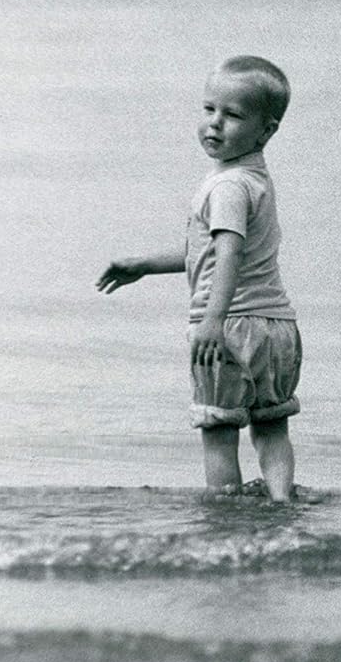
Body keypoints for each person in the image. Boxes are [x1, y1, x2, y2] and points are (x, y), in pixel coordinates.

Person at [97, 56, 302, 501]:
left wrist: (212, 320)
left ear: (266, 131)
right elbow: (214, 251)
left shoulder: (226, 186)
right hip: (277, 329)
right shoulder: (255, 181)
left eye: (232, 115)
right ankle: (283, 503)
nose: (215, 124)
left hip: (229, 327)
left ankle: (224, 516)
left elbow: (226, 254)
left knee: (218, 430)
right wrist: (146, 265)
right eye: (209, 109)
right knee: (271, 428)